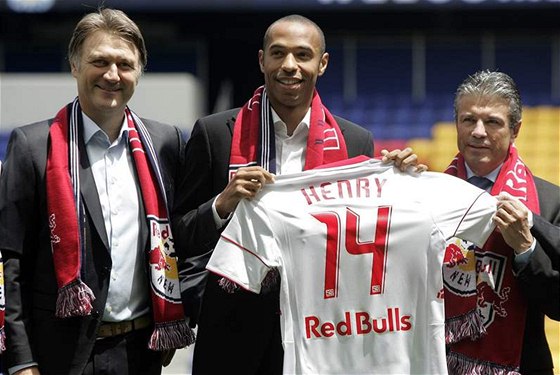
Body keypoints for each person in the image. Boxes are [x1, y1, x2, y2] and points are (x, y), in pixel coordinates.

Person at [173, 14, 424, 375]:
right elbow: (180, 235)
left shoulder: (356, 142)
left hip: (322, 334)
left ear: (321, 64)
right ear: (262, 60)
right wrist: (223, 204)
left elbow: (372, 240)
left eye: (302, 55)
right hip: (231, 333)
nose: (289, 66)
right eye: (278, 54)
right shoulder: (215, 134)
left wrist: (401, 180)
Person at [0, 8, 192, 375]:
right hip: (57, 355)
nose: (112, 75)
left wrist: (177, 317)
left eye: (125, 63)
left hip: (141, 353)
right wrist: (21, 361)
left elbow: (182, 240)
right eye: (99, 61)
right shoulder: (31, 145)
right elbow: (9, 261)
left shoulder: (165, 143)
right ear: (74, 66)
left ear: (139, 72)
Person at [442, 70, 559, 375]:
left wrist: (526, 248)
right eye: (468, 120)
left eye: (492, 122)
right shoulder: (426, 194)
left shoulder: (549, 201)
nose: (478, 131)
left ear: (515, 129)